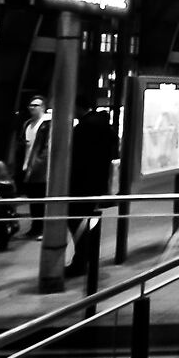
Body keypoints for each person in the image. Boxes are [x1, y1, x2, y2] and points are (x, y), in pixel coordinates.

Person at [68, 103, 118, 276]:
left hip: (81, 183)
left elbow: (76, 157)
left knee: (76, 220)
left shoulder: (84, 127)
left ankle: (81, 261)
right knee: (88, 220)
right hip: (97, 182)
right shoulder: (103, 125)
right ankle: (87, 259)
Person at [16, 95, 52, 238]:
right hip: (27, 166)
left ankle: (41, 229)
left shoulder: (47, 124)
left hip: (40, 169)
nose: (32, 108)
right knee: (33, 200)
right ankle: (35, 228)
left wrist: (38, 164)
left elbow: (47, 148)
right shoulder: (27, 124)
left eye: (35, 105)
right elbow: (21, 145)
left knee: (40, 199)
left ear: (43, 107)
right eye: (30, 105)